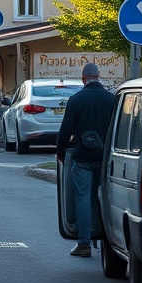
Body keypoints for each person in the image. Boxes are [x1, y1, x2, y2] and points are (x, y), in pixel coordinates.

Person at [55, 62, 116, 258]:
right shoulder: (112, 99)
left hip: (82, 158)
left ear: (83, 78)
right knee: (105, 198)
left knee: (83, 197)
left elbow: (66, 129)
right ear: (99, 77)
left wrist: (60, 151)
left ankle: (84, 243)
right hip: (106, 158)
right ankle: (108, 240)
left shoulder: (76, 99)